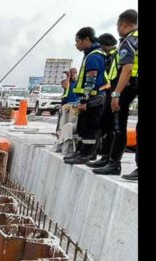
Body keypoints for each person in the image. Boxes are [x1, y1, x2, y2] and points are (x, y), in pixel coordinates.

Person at [101, 9, 139, 181]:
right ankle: (110, 161)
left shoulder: (130, 40)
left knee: (119, 124)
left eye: (117, 25)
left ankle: (114, 163)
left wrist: (116, 94)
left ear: (123, 24)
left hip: (131, 85)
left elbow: (128, 68)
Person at [64, 27, 108, 165]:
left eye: (78, 41)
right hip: (91, 97)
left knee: (90, 127)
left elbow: (91, 80)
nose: (76, 45)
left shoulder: (94, 56)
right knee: (83, 126)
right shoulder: (90, 54)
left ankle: (87, 154)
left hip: (93, 98)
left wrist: (84, 99)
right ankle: (82, 151)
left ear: (87, 39)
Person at [87, 33, 119, 171]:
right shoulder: (109, 56)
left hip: (113, 94)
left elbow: (114, 77)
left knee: (109, 126)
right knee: (105, 125)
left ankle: (109, 159)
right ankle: (105, 157)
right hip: (110, 93)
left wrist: (109, 89)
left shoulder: (113, 56)